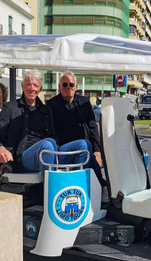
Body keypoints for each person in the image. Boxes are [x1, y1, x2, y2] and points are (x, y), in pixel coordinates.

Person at [0, 69, 91, 176]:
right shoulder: (10, 108)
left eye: (35, 85)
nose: (32, 88)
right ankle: (51, 189)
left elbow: (53, 136)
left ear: (40, 89)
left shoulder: (45, 110)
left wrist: (55, 150)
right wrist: (0, 148)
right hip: (23, 157)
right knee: (47, 145)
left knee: (83, 145)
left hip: (49, 152)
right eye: (28, 85)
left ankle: (75, 184)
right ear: (22, 86)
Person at [46, 71, 110, 203]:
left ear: (76, 87)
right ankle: (98, 185)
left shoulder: (84, 103)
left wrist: (97, 151)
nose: (67, 87)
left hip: (84, 149)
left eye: (71, 84)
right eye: (64, 85)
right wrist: (56, 152)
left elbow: (93, 127)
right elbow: (50, 131)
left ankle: (91, 190)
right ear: (59, 87)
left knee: (88, 152)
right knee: (84, 146)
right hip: (62, 150)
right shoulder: (52, 105)